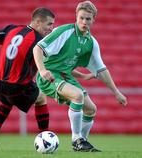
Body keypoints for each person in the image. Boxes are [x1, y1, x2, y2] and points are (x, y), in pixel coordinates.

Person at [33, 1, 127, 152]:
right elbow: (37, 49)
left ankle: (82, 142)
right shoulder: (64, 32)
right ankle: (76, 139)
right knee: (77, 96)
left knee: (91, 109)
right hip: (49, 75)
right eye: (81, 18)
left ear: (93, 20)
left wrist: (116, 92)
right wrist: (42, 70)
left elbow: (102, 70)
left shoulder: (91, 43)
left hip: (65, 76)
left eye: (88, 19)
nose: (84, 22)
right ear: (76, 16)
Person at [0, 7, 55, 150]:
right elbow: (44, 63)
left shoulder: (11, 30)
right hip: (18, 89)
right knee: (41, 97)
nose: (52, 28)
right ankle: (45, 138)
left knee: (7, 102)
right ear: (38, 22)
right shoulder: (39, 42)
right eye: (49, 24)